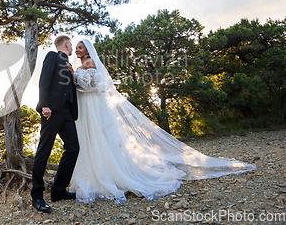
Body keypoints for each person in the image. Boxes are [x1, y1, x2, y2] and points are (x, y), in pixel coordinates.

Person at [67, 39, 256, 204]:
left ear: (88, 50)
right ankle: (92, 175)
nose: (77, 50)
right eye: (76, 48)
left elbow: (93, 86)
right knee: (89, 138)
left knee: (97, 138)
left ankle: (105, 177)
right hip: (86, 106)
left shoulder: (90, 62)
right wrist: (74, 74)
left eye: (80, 47)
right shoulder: (82, 64)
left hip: (92, 104)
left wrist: (74, 74)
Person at [31, 35, 79, 213]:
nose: (72, 48)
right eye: (71, 45)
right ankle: (37, 196)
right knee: (44, 151)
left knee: (73, 148)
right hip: (51, 112)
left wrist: (72, 74)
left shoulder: (68, 65)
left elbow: (69, 89)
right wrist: (44, 105)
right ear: (66, 44)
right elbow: (43, 81)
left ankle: (58, 191)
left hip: (67, 113)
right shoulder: (52, 56)